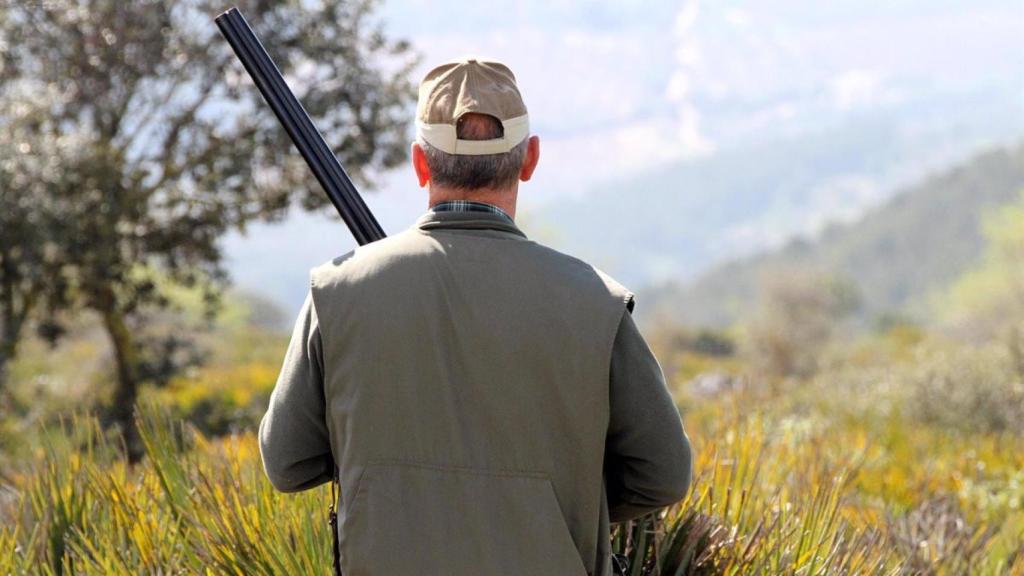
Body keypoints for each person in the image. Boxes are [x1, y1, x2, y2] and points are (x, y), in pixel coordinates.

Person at [258, 57, 692, 576]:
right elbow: (663, 474)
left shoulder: (336, 292)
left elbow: (287, 462)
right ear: (530, 159)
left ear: (420, 163)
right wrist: (555, 503)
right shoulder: (597, 302)